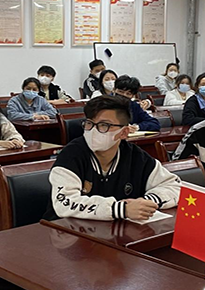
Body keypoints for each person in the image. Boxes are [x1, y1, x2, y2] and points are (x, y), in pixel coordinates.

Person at [43, 95, 181, 221]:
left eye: (104, 125)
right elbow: (64, 203)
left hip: (117, 230)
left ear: (124, 132)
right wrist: (121, 209)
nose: (93, 131)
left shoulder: (135, 155)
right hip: (66, 231)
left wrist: (147, 203)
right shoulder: (71, 154)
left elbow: (174, 186)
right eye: (89, 123)